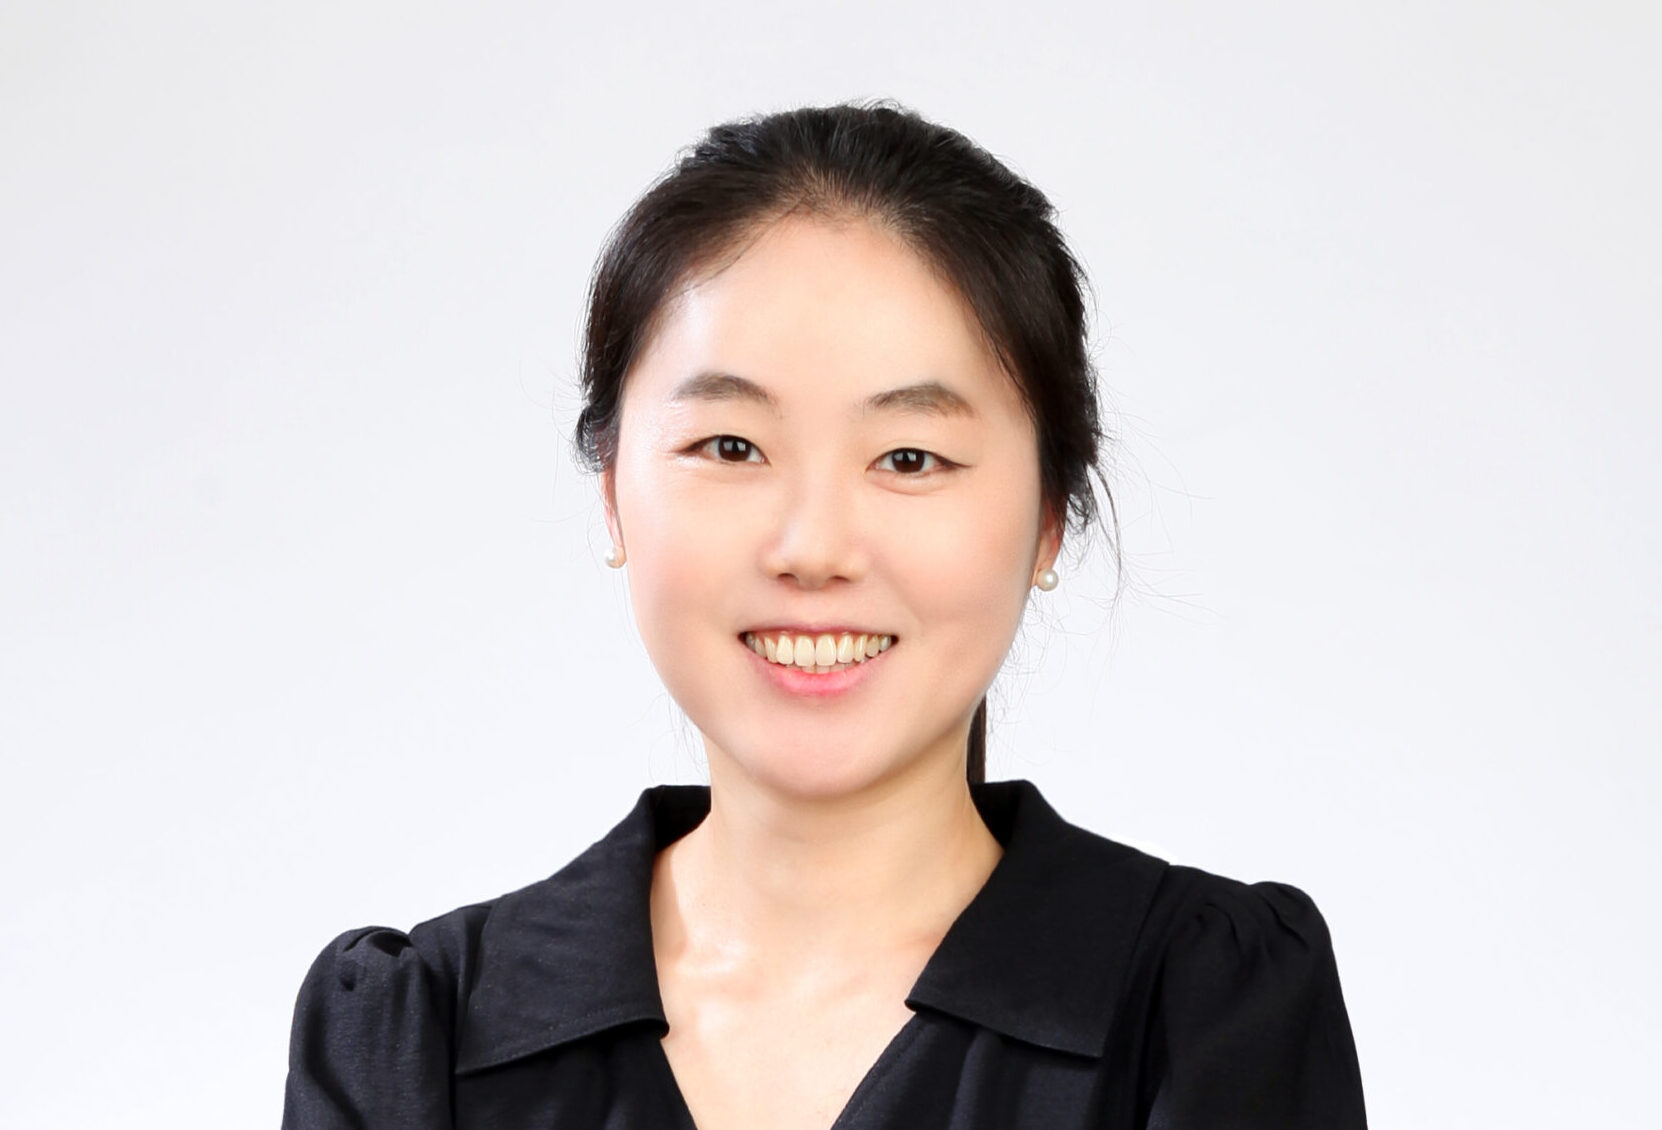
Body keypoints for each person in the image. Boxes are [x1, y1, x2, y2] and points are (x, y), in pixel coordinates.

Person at [281, 103, 1366, 1129]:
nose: (813, 547)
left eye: (910, 457)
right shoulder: (419, 1037)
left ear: (1048, 517)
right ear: (612, 493)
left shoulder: (1204, 1008)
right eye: (731, 446)